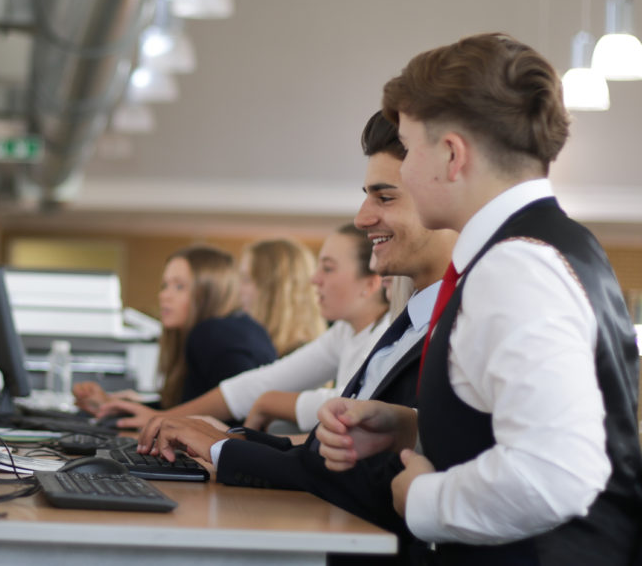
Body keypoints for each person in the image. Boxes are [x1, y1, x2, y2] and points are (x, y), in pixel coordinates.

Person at [317, 34, 642, 565]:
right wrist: (412, 425)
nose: (405, 170)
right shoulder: (553, 244)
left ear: (450, 154)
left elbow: (556, 472)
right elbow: (526, 417)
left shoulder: (514, 267)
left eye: (409, 147)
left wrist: (422, 498)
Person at [137, 112, 456, 558]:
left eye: (384, 197)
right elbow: (334, 449)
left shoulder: (459, 324)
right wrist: (231, 440)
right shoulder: (408, 323)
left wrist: (227, 450)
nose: (363, 219)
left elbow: (370, 475)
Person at [79, 224, 390, 431]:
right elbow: (258, 384)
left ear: (372, 281)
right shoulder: (344, 333)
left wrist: (269, 403)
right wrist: (157, 416)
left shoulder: (391, 336)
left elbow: (351, 408)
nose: (314, 279)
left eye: (328, 268)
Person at [75, 245, 276, 411]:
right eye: (165, 285)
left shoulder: (212, 333)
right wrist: (120, 405)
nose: (164, 295)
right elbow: (190, 409)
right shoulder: (239, 327)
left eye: (179, 287)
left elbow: (232, 417)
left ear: (209, 292)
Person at [239, 238, 326, 357]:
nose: (239, 289)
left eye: (246, 280)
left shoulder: (302, 356)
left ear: (273, 290)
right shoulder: (262, 346)